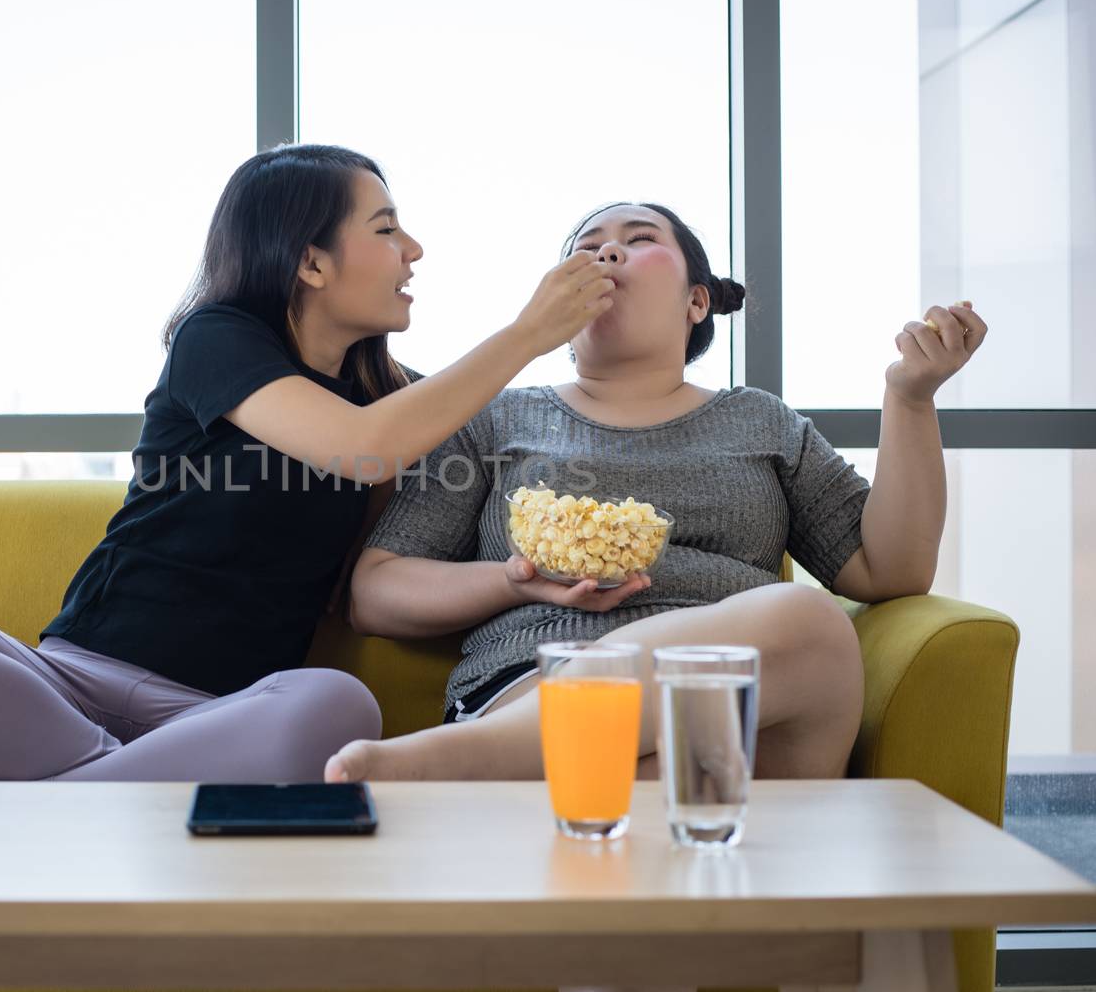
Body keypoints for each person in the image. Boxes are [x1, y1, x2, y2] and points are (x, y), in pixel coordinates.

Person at [0, 144, 616, 783]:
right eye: (384, 228)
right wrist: (524, 333)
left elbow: (390, 535)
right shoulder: (220, 337)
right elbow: (361, 446)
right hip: (65, 681)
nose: (414, 249)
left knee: (337, 705)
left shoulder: (397, 398)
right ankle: (88, 791)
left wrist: (528, 569)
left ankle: (3, 805)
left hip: (218, 719)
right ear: (310, 262)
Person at [325, 200, 987, 784]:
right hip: (539, 694)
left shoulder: (761, 421)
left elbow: (891, 569)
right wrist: (516, 581)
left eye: (639, 240)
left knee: (812, 623)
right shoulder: (495, 416)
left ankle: (454, 770)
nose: (607, 250)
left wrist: (909, 398)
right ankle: (486, 760)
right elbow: (374, 592)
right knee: (656, 773)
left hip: (740, 720)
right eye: (586, 248)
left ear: (697, 301)